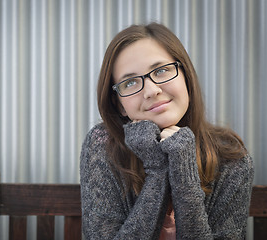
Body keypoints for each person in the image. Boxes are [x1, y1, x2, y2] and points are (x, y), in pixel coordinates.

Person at [80, 23, 254, 239]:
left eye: (161, 70)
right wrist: (157, 169)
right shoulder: (102, 145)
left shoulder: (232, 159)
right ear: (118, 104)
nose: (152, 91)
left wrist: (184, 172)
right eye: (130, 82)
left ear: (185, 76)